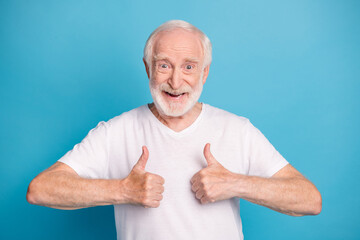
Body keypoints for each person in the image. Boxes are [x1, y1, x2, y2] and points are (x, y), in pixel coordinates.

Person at [27, 20, 322, 240]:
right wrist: (121, 190)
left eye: (189, 67)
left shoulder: (237, 130)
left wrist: (236, 184)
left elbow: (309, 199)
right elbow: (40, 190)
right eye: (164, 65)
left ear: (205, 72)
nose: (176, 82)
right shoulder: (116, 131)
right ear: (147, 68)